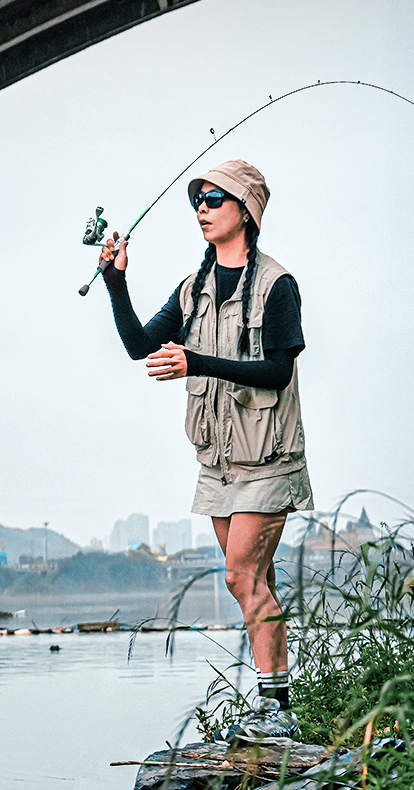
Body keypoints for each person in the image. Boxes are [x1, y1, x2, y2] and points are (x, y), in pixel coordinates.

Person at [100, 160, 312, 741]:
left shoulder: (277, 286)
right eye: (199, 199)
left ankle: (274, 711)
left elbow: (277, 371)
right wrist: (116, 283)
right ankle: (277, 703)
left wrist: (195, 361)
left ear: (246, 211)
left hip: (269, 461)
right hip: (217, 464)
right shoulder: (192, 290)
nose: (202, 207)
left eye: (216, 198)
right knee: (255, 580)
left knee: (239, 575)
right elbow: (140, 345)